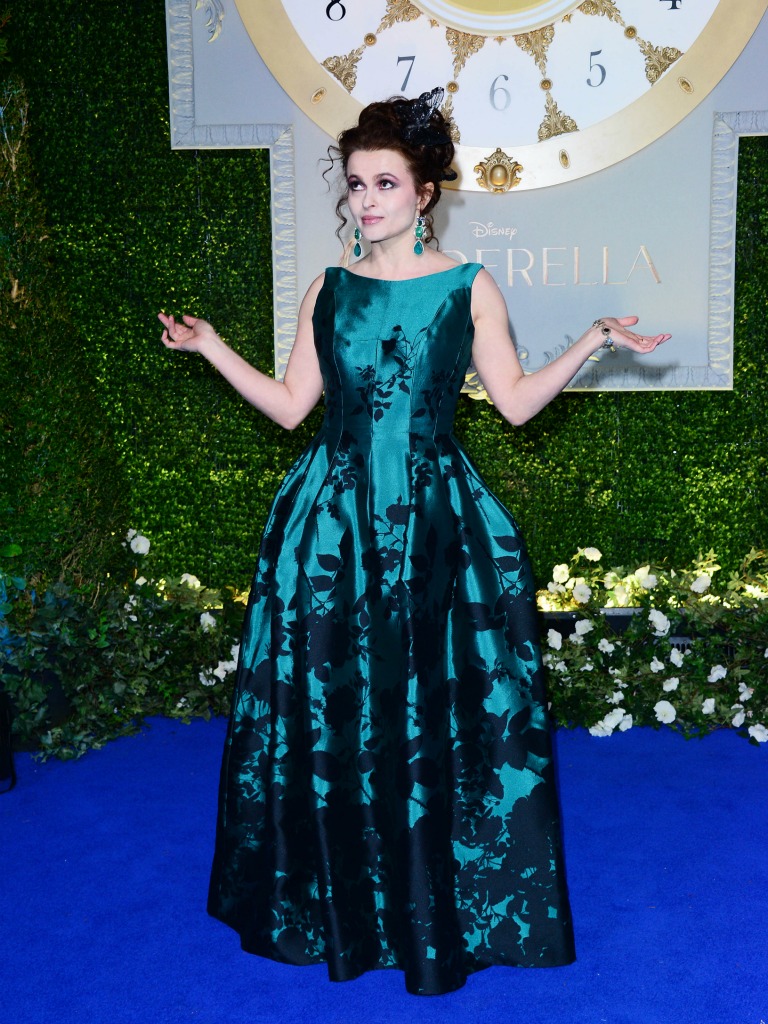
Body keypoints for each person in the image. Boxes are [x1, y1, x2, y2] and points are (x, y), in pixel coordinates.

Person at [158, 88, 670, 996]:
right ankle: (342, 904)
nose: (366, 200)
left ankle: (437, 904)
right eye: (356, 184)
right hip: (331, 528)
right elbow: (292, 407)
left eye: (385, 184)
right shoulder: (329, 289)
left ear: (425, 191)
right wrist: (212, 347)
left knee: (433, 708)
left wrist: (594, 337)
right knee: (335, 708)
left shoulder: (468, 286)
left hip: (434, 526)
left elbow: (515, 404)